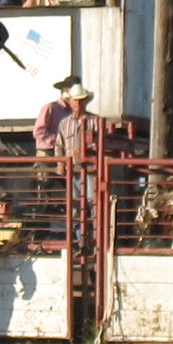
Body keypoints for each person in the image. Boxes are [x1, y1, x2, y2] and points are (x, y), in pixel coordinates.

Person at [54, 83, 98, 240]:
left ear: (85, 101)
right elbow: (59, 146)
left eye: (80, 100)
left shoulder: (96, 121)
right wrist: (61, 163)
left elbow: (102, 145)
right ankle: (81, 241)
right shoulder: (64, 124)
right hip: (73, 170)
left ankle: (95, 240)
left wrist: (89, 149)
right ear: (70, 102)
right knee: (75, 206)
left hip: (92, 169)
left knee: (94, 205)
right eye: (75, 100)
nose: (77, 103)